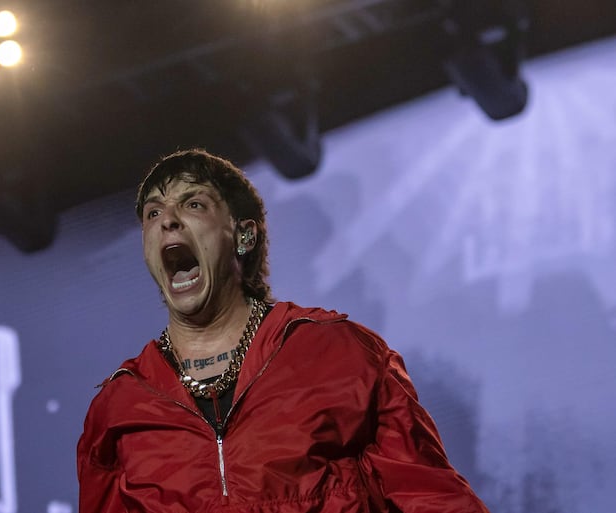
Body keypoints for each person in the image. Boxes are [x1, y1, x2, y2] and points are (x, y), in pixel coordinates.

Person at [77, 148, 490, 513]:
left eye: (194, 205)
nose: (167, 221)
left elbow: (431, 497)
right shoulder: (120, 406)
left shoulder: (337, 352)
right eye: (153, 213)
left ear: (243, 235)